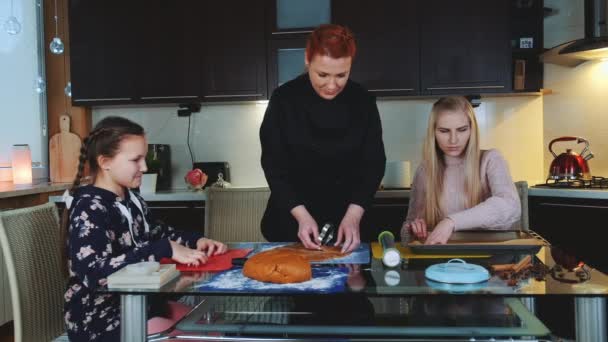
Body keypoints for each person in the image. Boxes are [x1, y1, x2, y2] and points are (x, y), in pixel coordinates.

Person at [62, 116, 227, 341]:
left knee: (211, 326)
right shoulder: (90, 207)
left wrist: (195, 240)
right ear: (105, 162)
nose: (145, 167)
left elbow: (158, 233)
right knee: (202, 333)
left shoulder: (131, 198)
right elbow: (93, 273)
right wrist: (163, 249)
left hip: (141, 306)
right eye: (136, 160)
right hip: (100, 322)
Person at [259, 24, 386, 253]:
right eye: (323, 74)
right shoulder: (283, 100)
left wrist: (354, 214)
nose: (331, 85)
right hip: (290, 221)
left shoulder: (363, 102)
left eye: (341, 75)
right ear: (307, 59)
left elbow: (373, 164)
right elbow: (274, 165)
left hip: (349, 224)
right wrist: (301, 215)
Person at [402, 96, 521, 245]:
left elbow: (510, 206)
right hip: (443, 260)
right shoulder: (425, 171)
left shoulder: (491, 159)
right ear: (433, 132)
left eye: (462, 130)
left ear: (472, 130)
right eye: (444, 131)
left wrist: (451, 221)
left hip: (491, 258)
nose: (453, 140)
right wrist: (414, 230)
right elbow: (407, 233)